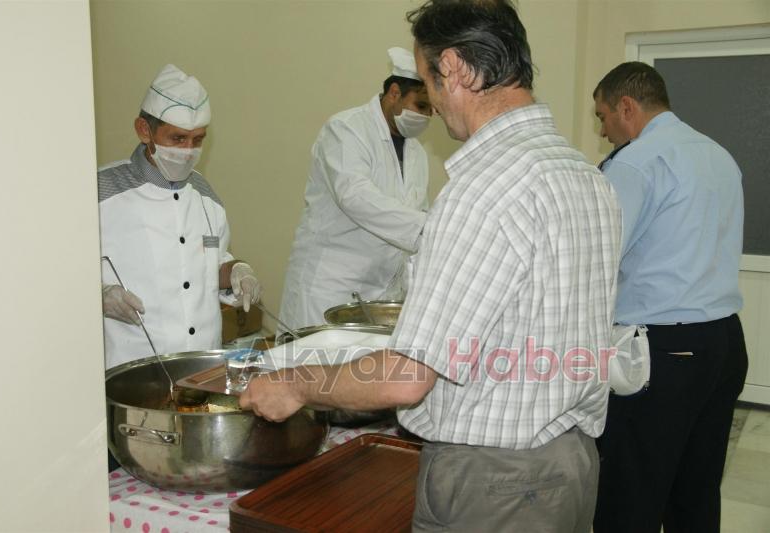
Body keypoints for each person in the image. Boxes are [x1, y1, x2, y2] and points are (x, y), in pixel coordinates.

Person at [240, 1, 621, 531]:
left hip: (493, 482)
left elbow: (406, 378)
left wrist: (296, 383)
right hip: (571, 464)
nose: (435, 103)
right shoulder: (585, 174)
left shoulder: (483, 189)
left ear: (457, 69)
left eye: (430, 81)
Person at [591, 61, 748, 533]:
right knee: (695, 490)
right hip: (723, 344)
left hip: (662, 350)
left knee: (630, 491)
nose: (603, 131)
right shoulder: (718, 154)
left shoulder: (639, 161)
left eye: (602, 117)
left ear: (627, 106)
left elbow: (601, 253)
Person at [99, 64, 262, 370]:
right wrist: (99, 295)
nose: (188, 151)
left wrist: (237, 270)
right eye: (177, 139)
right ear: (144, 130)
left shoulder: (205, 194)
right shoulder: (100, 192)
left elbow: (207, 265)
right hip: (130, 368)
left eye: (197, 140)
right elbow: (57, 275)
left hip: (202, 367)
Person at [277, 47, 433, 332]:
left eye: (433, 109)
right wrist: (428, 228)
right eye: (421, 105)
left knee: (364, 374)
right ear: (395, 93)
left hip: (380, 295)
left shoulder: (417, 154)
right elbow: (355, 196)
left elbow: (413, 222)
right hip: (330, 288)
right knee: (313, 372)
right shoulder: (346, 129)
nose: (427, 116)